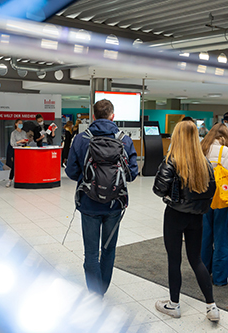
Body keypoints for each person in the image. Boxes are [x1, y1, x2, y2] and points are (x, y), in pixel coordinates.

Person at [66, 100, 138, 297]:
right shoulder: (125, 140)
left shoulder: (81, 139)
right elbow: (132, 174)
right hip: (115, 204)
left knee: (91, 252)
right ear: (112, 116)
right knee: (109, 249)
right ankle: (102, 289)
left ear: (94, 116)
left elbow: (71, 172)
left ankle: (94, 293)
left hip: (89, 204)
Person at [152, 121, 219, 322]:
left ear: (177, 137)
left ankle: (174, 304)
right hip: (197, 217)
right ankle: (211, 306)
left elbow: (158, 189)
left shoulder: (171, 160)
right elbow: (211, 189)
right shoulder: (204, 162)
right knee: (196, 259)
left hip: (175, 215)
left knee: (175, 259)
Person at [200, 123, 228, 286]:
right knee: (222, 238)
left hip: (203, 197)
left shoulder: (201, 149)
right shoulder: (226, 152)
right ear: (224, 137)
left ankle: (203, 273)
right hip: (222, 198)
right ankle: (220, 278)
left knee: (204, 237)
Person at [6, 119, 29, 187]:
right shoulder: (13, 133)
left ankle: (23, 179)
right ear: (16, 124)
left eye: (21, 123)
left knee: (23, 165)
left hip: (23, 150)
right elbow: (12, 143)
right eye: (19, 123)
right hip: (16, 150)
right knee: (14, 166)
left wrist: (24, 141)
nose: (20, 125)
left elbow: (26, 141)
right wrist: (19, 141)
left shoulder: (24, 132)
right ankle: (10, 180)